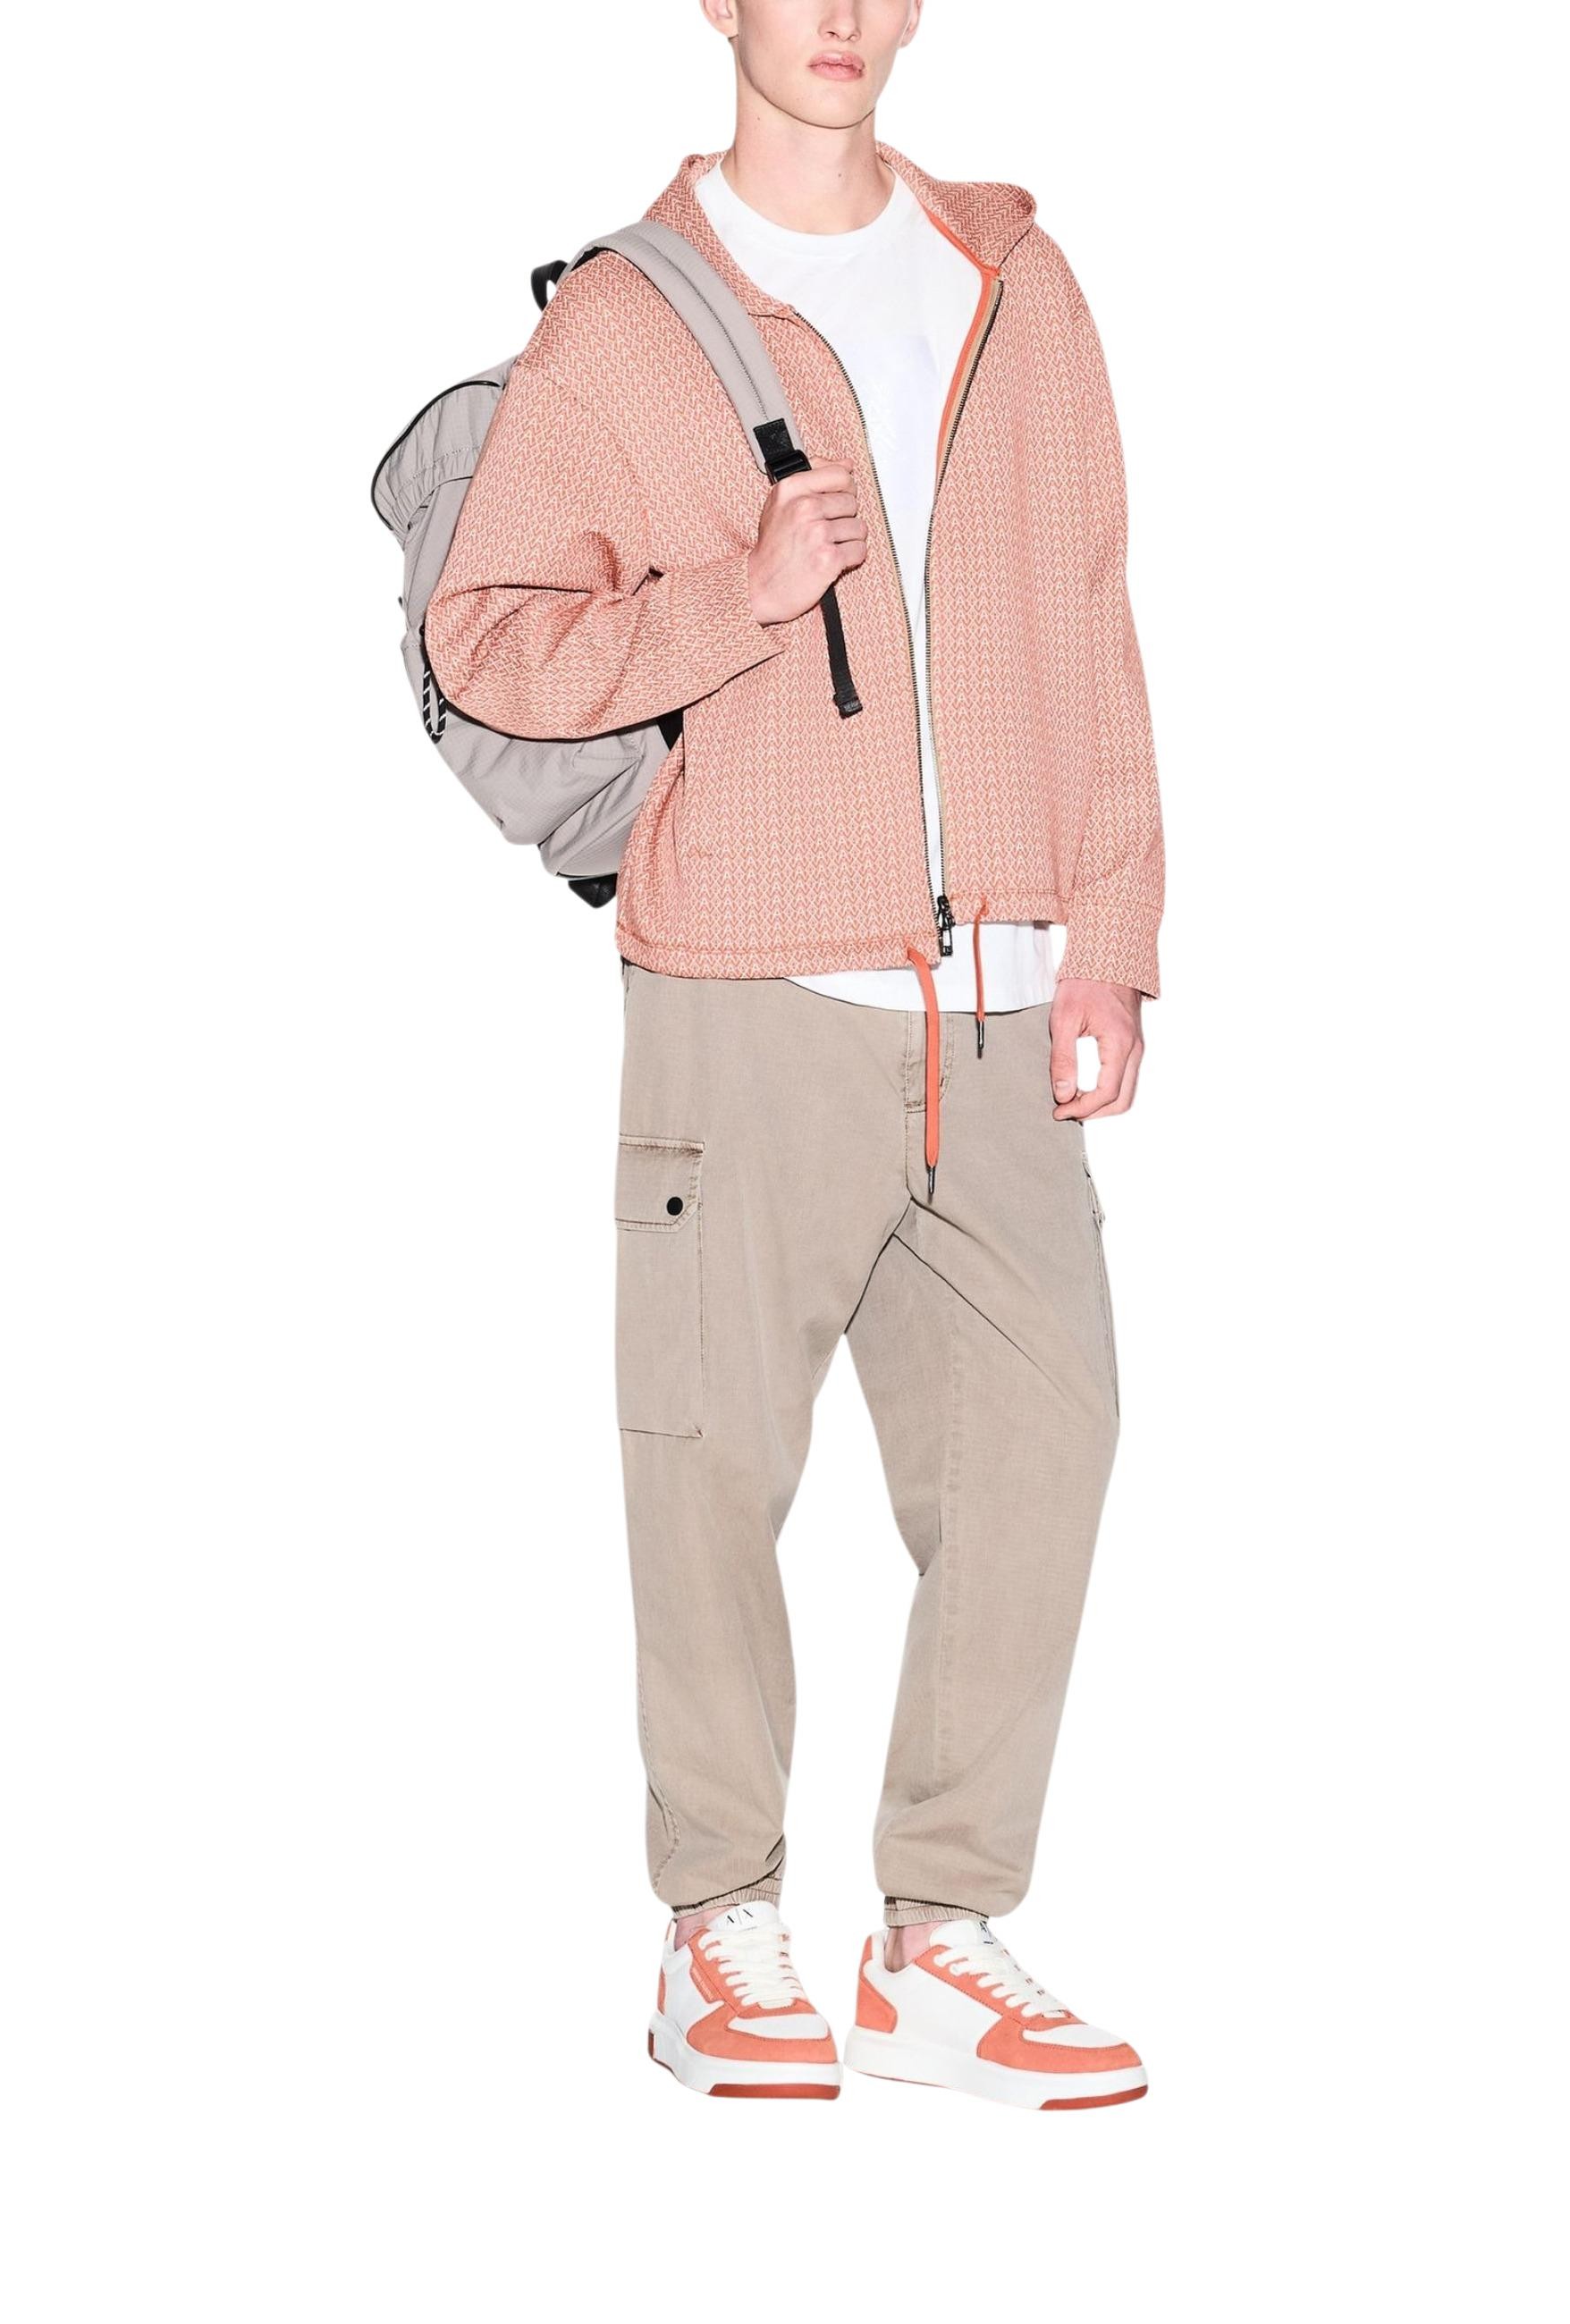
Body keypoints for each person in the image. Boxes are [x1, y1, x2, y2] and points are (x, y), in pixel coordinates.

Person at [425, 0, 1162, 2112]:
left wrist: (1109, 932)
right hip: (746, 989)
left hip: (995, 997)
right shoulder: (632, 323)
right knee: (711, 1469)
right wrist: (731, 598)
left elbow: (1088, 616)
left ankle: (937, 1935)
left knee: (1047, 1444)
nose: (838, 14)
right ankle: (715, 1921)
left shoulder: (1018, 283)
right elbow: (486, 635)